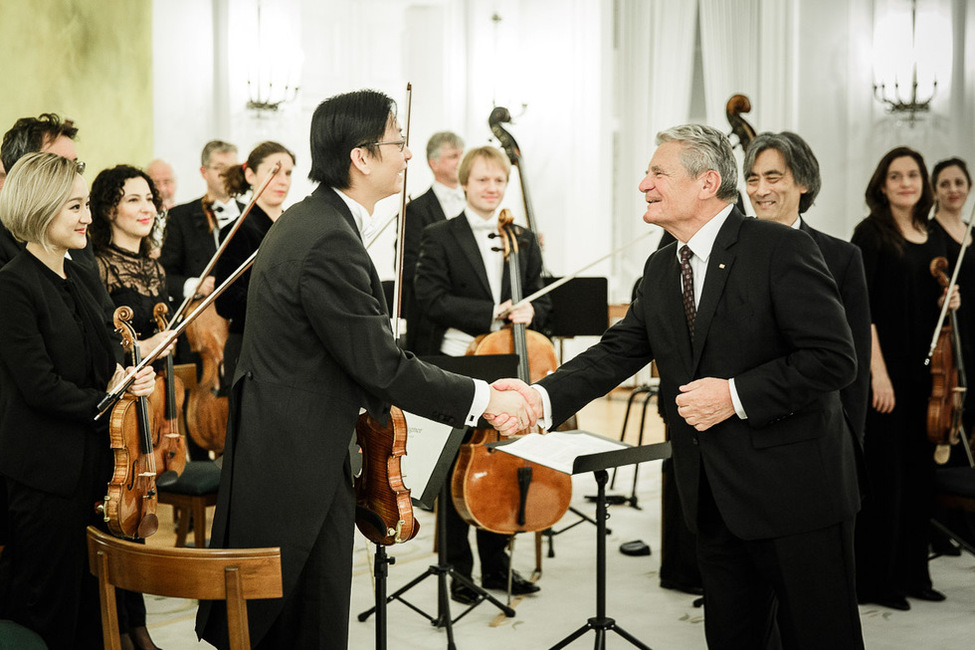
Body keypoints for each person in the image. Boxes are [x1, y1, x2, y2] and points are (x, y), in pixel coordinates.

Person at [491, 124, 864, 648]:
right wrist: (541, 395)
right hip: (712, 498)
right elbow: (618, 350)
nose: (644, 184)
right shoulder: (663, 267)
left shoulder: (780, 248)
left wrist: (733, 395)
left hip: (796, 495)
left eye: (658, 173)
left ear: (707, 182)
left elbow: (833, 359)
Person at [194, 89, 534, 650]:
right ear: (361, 156)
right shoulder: (326, 235)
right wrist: (484, 401)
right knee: (305, 620)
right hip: (298, 458)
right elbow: (380, 366)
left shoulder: (315, 220)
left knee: (292, 615)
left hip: (288, 444)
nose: (406, 156)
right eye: (398, 143)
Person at [0, 152, 156, 649]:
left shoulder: (82, 274)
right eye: (74, 207)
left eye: (86, 204)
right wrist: (110, 397)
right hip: (47, 475)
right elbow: (40, 387)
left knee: (94, 604)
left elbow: (103, 358)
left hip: (96, 466)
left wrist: (129, 377)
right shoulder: (12, 286)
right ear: (40, 209)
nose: (88, 217)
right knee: (50, 607)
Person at [412, 145, 549, 603]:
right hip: (458, 362)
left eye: (499, 182)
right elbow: (428, 297)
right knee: (456, 465)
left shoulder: (522, 238)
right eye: (483, 181)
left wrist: (533, 307)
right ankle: (458, 569)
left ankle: (497, 564)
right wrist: (490, 312)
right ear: (465, 183)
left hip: (507, 361)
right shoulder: (440, 235)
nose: (492, 189)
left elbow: (545, 295)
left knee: (505, 459)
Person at [852, 147, 956, 610]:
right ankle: (878, 581)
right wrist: (878, 375)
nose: (905, 182)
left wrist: (948, 303)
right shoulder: (870, 234)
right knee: (886, 482)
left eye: (913, 175)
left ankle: (916, 574)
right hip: (886, 374)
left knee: (920, 478)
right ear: (882, 184)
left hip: (927, 375)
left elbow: (933, 293)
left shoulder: (933, 234)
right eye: (895, 176)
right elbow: (863, 312)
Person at [745, 132, 871, 446]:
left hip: (814, 432)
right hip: (745, 429)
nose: (761, 190)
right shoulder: (730, 252)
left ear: (804, 183)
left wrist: (851, 439)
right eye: (752, 179)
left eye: (773, 178)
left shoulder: (843, 258)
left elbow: (855, 360)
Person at [214, 141, 295, 383]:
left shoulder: (296, 228)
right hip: (250, 350)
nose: (282, 181)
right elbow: (226, 302)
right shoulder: (236, 230)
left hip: (291, 349)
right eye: (274, 172)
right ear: (250, 174)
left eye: (288, 173)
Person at [0, 113, 89, 268]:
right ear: (24, 171)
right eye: (58, 166)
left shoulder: (77, 229)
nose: (72, 175)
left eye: (75, 165)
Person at [158, 140, 240, 305]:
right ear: (204, 172)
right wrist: (194, 285)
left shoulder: (250, 214)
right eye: (219, 168)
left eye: (233, 169)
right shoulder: (180, 216)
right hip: (200, 316)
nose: (227, 174)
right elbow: (163, 276)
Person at [401, 131, 465, 323]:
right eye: (454, 156)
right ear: (434, 163)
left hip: (474, 310)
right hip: (432, 316)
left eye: (463, 155)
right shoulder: (415, 210)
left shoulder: (478, 204)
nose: (461, 161)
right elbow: (408, 266)